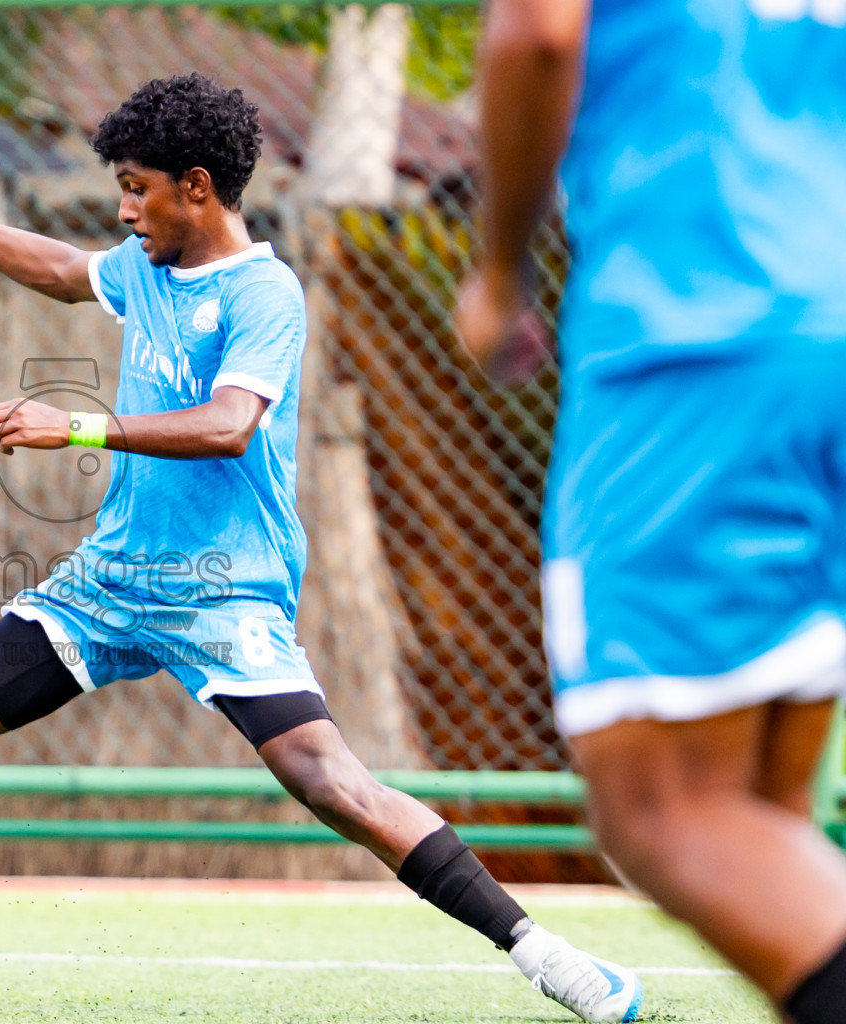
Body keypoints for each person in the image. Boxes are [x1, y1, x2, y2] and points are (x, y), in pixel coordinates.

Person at [0, 76, 640, 1022]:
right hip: (110, 584)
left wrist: (79, 426)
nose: (123, 208)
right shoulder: (147, 267)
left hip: (222, 593)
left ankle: (544, 954)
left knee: (335, 785)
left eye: (137, 189)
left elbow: (230, 423)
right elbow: (60, 271)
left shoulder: (263, 295)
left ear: (198, 187)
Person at [454, 2, 846, 1022]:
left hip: (704, 325)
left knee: (667, 808)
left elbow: (539, 31)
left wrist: (500, 274)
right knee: (762, 810)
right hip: (824, 309)